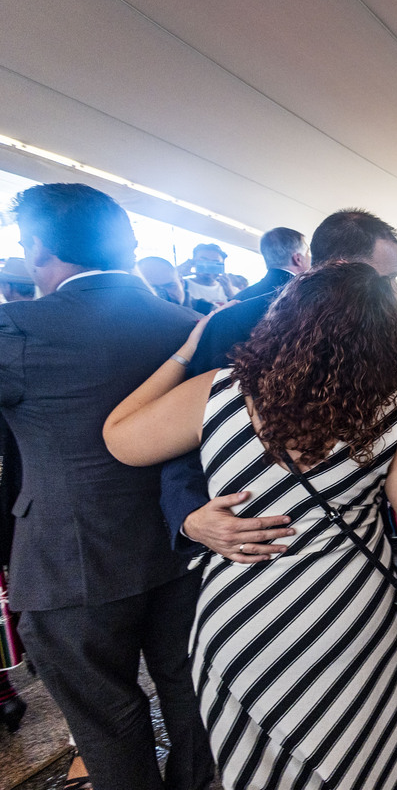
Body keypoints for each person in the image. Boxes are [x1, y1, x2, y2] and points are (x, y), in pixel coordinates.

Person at [105, 261, 397, 788]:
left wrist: (187, 351)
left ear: (286, 320)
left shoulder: (217, 391)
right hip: (351, 620)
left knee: (264, 771)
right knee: (368, 762)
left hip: (245, 623)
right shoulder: (383, 411)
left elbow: (119, 437)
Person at [0, 183, 212, 790]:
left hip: (73, 559)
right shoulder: (190, 322)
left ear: (38, 247)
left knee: (105, 718)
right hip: (184, 549)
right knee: (192, 694)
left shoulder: (17, 327)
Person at [161, 208, 397, 560]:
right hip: (255, 540)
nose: (395, 291)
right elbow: (184, 426)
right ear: (336, 267)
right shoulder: (237, 320)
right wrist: (189, 515)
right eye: (386, 279)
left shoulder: (381, 324)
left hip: (354, 535)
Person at [234, 226, 308, 301]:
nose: (309, 258)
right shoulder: (304, 295)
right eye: (307, 253)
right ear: (298, 259)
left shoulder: (240, 297)